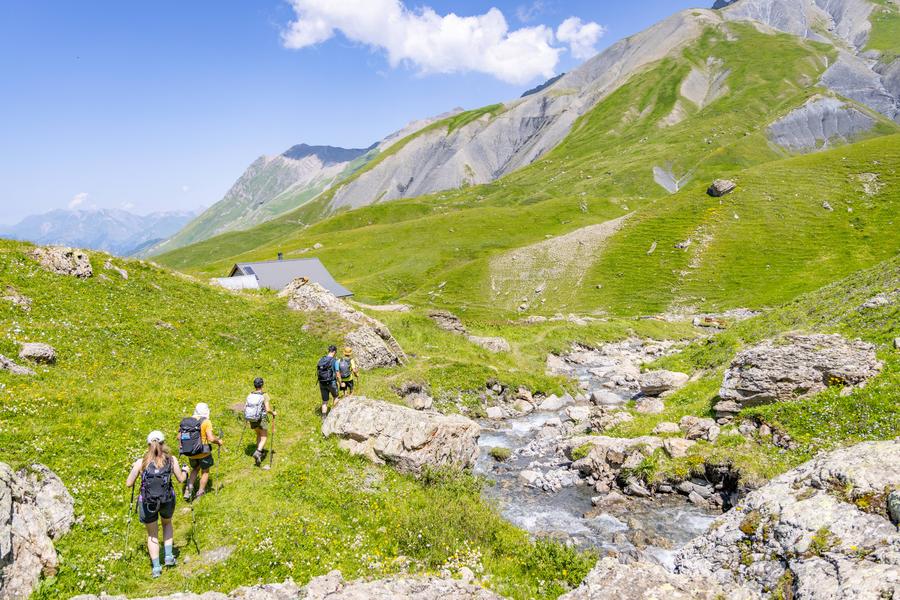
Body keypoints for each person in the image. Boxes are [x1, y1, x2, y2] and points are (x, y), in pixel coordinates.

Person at [126, 430, 187, 578]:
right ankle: (168, 556)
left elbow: (129, 483)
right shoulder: (171, 460)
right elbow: (181, 479)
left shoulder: (141, 463)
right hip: (167, 500)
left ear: (148, 445)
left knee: (152, 534)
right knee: (167, 524)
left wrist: (135, 469)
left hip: (147, 503)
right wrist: (185, 471)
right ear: (163, 443)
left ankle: (156, 568)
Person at [180, 402, 223, 500]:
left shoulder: (187, 422)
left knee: (195, 469)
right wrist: (219, 441)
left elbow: (179, 436)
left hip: (191, 452)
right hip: (203, 452)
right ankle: (200, 492)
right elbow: (211, 439)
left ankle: (188, 488)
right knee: (205, 471)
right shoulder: (206, 422)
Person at [244, 376, 277, 467]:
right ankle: (258, 452)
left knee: (258, 434)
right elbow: (267, 409)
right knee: (264, 436)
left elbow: (245, 407)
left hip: (252, 418)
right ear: (262, 385)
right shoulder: (264, 395)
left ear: (254, 385)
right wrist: (273, 412)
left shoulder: (250, 394)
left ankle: (260, 451)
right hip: (262, 418)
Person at [316, 345, 340, 416]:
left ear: (329, 351)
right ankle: (335, 415)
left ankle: (324, 417)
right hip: (331, 382)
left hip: (322, 382)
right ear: (334, 352)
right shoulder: (334, 361)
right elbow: (337, 373)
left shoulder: (321, 359)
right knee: (335, 397)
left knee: (324, 401)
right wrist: (340, 382)